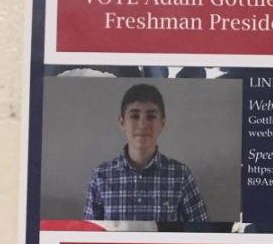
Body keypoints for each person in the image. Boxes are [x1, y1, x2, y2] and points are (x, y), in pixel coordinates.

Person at [84, 84, 207, 222]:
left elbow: (200, 232)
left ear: (162, 123)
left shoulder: (181, 175)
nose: (143, 124)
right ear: (122, 122)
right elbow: (89, 236)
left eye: (151, 116)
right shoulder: (100, 177)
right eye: (135, 116)